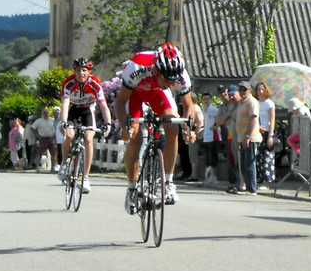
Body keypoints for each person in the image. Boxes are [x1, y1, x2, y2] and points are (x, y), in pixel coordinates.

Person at [115, 43, 195, 214]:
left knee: (173, 128)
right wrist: (124, 127)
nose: (172, 83)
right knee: (135, 136)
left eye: (174, 80)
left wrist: (190, 128)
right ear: (156, 71)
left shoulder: (178, 74)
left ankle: (169, 182)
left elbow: (188, 106)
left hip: (157, 92)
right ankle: (131, 188)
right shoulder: (137, 66)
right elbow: (121, 101)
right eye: (168, 80)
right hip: (135, 93)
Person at [58, 58, 113, 194]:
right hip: (73, 109)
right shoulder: (68, 83)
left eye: (84, 70)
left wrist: (108, 123)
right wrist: (64, 122)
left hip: (87, 110)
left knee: (89, 139)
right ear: (74, 71)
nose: (81, 73)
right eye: (78, 70)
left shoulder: (95, 84)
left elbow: (103, 105)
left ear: (89, 72)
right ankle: (64, 163)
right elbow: (65, 104)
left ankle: (86, 177)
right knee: (69, 135)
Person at [235, 81, 262, 195]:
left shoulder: (252, 102)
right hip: (241, 138)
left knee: (249, 164)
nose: (242, 92)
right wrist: (239, 139)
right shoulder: (241, 102)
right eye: (240, 89)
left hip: (250, 138)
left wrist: (247, 137)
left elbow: (253, 119)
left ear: (250, 90)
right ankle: (247, 187)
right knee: (243, 165)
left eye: (244, 89)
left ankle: (252, 189)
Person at [216, 85, 243, 192]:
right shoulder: (226, 107)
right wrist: (228, 114)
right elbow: (219, 121)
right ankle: (235, 180)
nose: (231, 97)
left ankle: (240, 182)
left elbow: (235, 120)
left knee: (239, 159)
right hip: (230, 134)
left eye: (232, 95)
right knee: (233, 159)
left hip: (240, 134)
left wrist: (229, 118)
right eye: (221, 92)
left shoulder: (240, 104)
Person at [255, 82, 277, 189]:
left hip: (267, 131)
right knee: (258, 156)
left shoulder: (269, 103)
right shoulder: (257, 103)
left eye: (262, 89)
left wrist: (270, 136)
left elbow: (272, 120)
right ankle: (259, 179)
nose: (260, 91)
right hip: (258, 132)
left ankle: (267, 182)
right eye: (258, 89)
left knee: (266, 157)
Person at [200, 92, 221, 185]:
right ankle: (209, 176)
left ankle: (214, 176)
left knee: (213, 156)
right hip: (206, 136)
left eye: (208, 99)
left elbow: (219, 119)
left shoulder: (213, 109)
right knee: (208, 157)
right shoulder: (204, 109)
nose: (206, 101)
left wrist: (215, 126)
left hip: (214, 136)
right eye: (204, 99)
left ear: (211, 100)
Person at [31, 108, 58, 173]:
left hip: (51, 138)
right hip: (43, 138)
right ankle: (37, 167)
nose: (46, 114)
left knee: (53, 153)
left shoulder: (52, 120)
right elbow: (32, 128)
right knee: (40, 153)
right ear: (42, 114)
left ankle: (53, 167)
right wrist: (38, 136)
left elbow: (57, 127)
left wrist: (55, 135)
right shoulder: (39, 121)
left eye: (47, 112)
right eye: (44, 113)